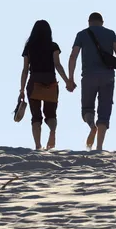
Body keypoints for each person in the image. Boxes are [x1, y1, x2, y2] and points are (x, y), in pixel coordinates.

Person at [67, 12, 116, 151]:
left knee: (87, 108)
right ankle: (99, 146)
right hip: (108, 77)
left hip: (88, 77)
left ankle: (91, 127)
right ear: (102, 22)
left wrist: (70, 78)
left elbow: (73, 56)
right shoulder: (111, 34)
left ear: (89, 22)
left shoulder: (82, 34)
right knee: (104, 110)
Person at [20, 20, 73, 150]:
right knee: (51, 114)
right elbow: (57, 65)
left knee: (36, 116)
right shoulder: (53, 46)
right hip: (51, 82)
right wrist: (67, 81)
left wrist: (21, 89)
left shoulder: (29, 47)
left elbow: (25, 69)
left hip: (34, 82)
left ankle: (38, 145)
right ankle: (52, 132)